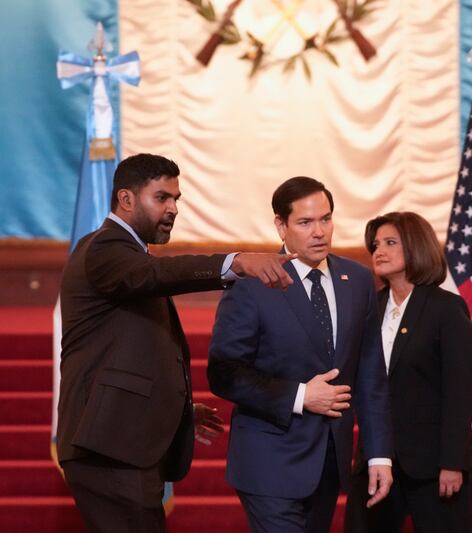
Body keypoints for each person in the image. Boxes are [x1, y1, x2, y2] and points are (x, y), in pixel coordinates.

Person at [56, 153, 296, 533]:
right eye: (162, 198)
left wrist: (176, 409)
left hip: (124, 445)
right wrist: (236, 262)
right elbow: (159, 274)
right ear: (127, 199)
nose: (173, 209)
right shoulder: (104, 248)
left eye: (177, 200)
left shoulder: (129, 255)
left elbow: (132, 352)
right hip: (108, 449)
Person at [208, 176, 393, 533]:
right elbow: (223, 372)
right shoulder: (252, 285)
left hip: (328, 464)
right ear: (281, 225)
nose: (319, 232)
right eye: (305, 223)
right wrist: (301, 395)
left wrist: (379, 454)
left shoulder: (357, 280)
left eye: (325, 219)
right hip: (268, 465)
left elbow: (371, 374)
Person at [344, 211, 472, 533]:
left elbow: (459, 392)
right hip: (377, 461)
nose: (379, 251)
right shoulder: (368, 308)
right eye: (376, 244)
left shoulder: (446, 308)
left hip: (433, 466)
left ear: (416, 247)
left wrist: (452, 462)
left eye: (391, 243)